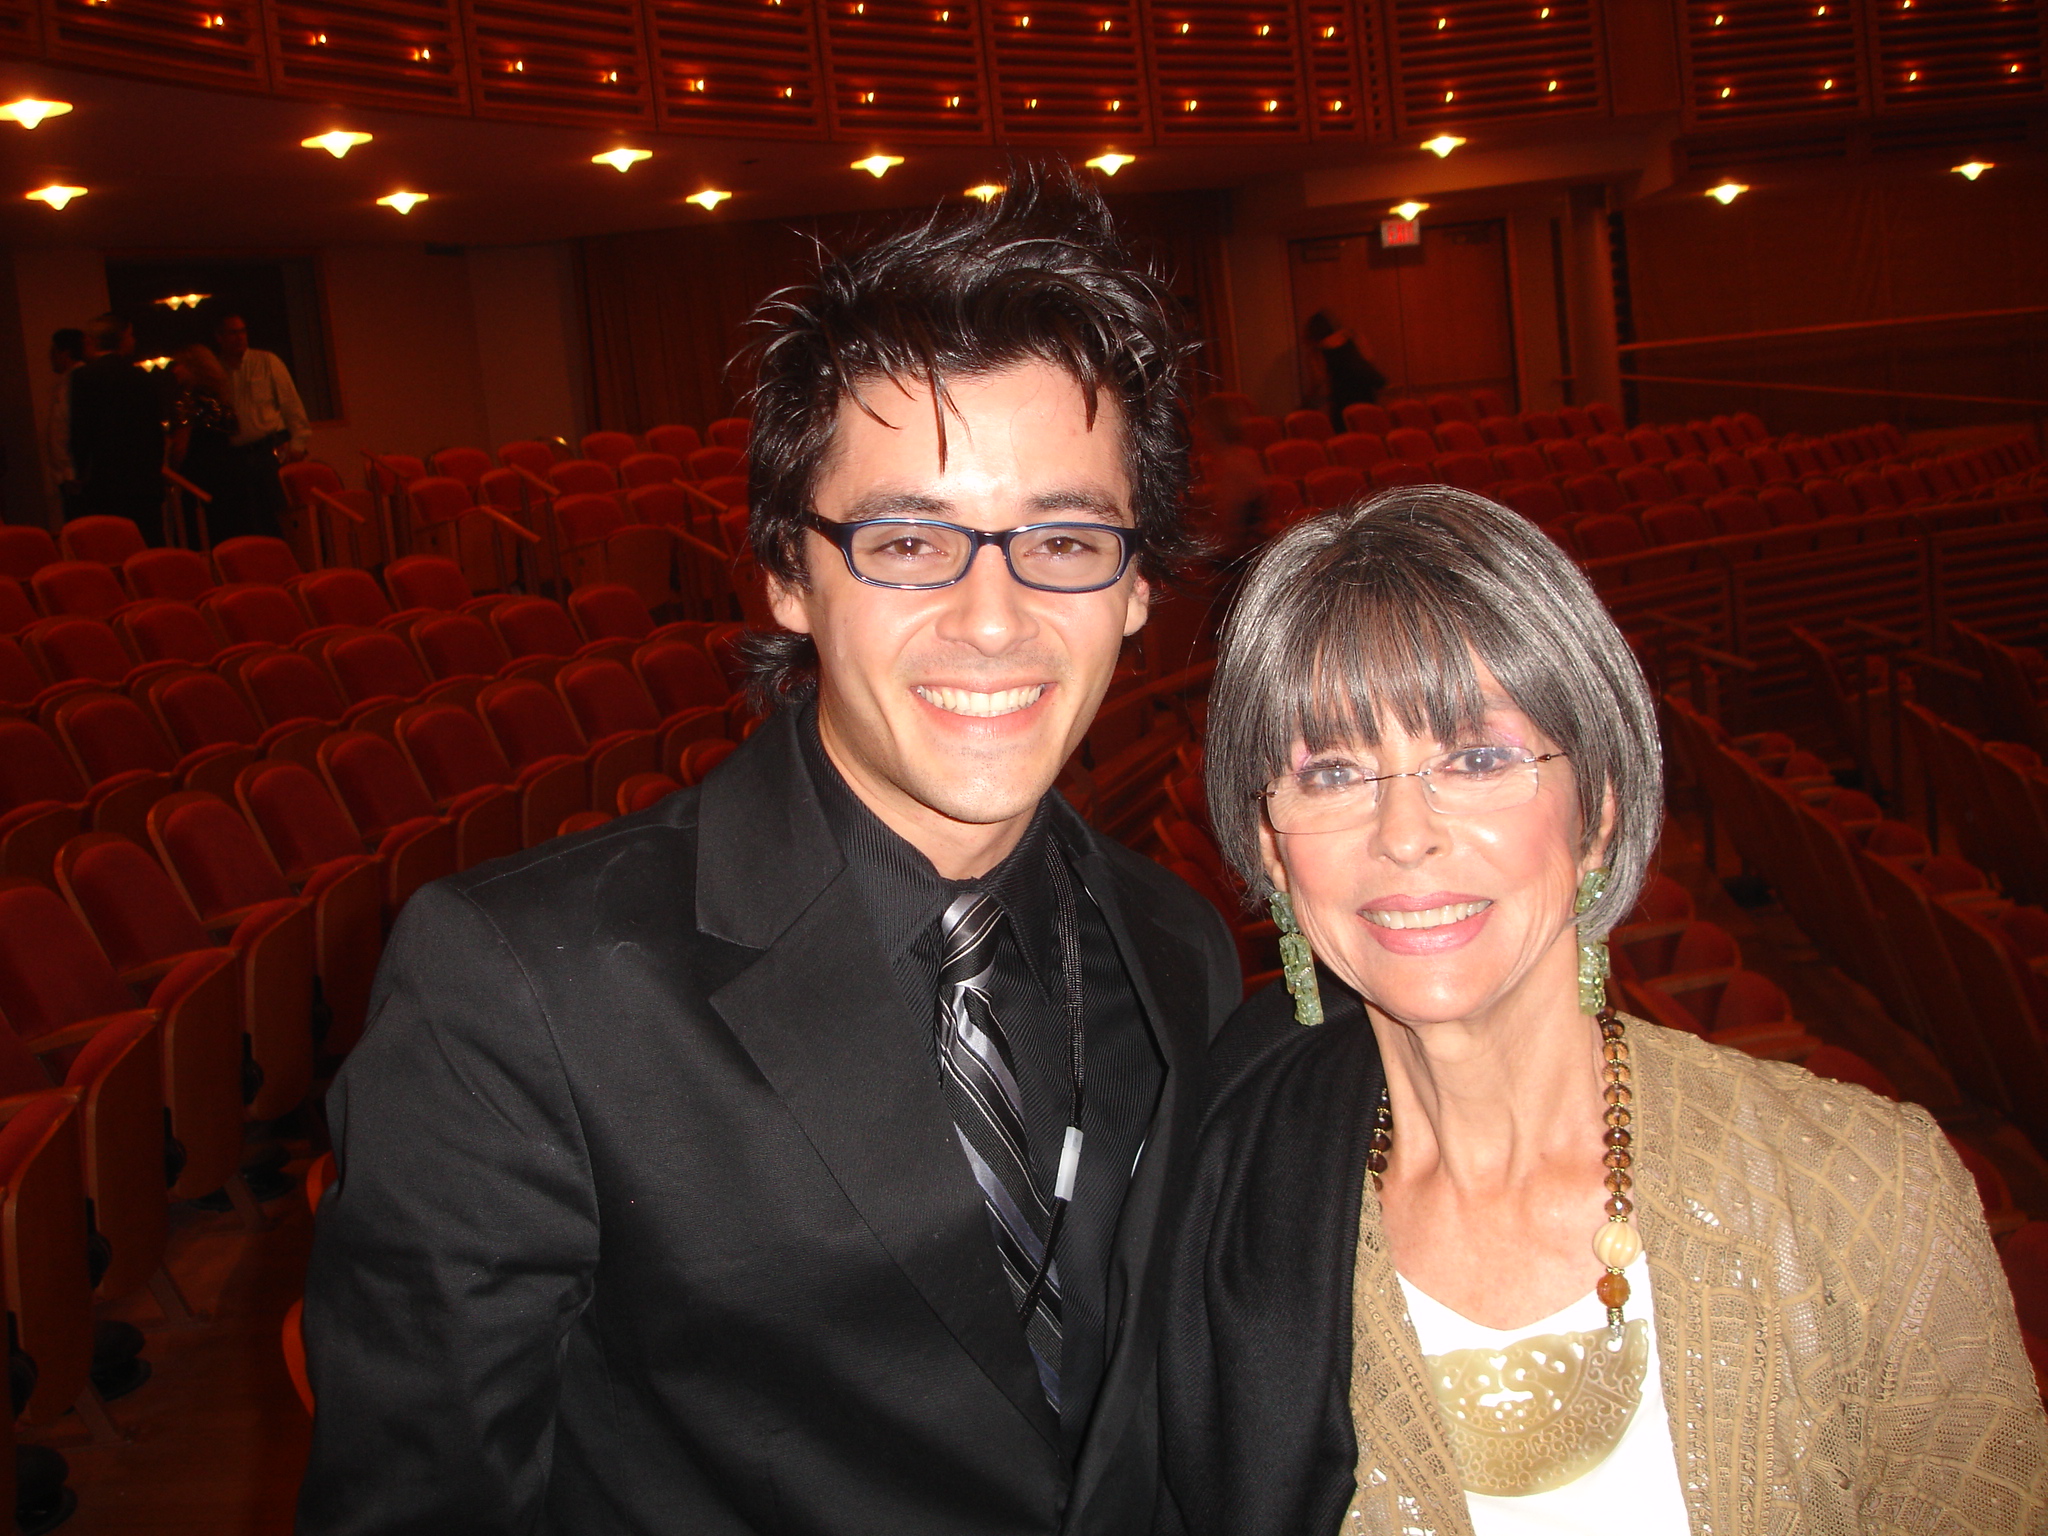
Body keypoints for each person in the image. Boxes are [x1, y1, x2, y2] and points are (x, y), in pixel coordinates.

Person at [298, 163, 1238, 1536]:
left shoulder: (1177, 943)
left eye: (1064, 538)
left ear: (1139, 584)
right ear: (787, 573)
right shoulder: (517, 987)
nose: (995, 618)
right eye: (909, 541)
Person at [1157, 489, 2048, 1535]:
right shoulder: (1211, 1209)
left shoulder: (1871, 1197)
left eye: (1476, 759)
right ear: (1270, 849)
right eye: (1334, 772)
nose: (1402, 834)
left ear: (1597, 813)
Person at [66, 313, 167, 544]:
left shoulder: (85, 377)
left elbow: (81, 429)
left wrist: (80, 471)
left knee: (113, 542)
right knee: (149, 539)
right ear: (121, 338)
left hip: (105, 477)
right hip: (143, 477)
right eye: (130, 335)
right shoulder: (139, 376)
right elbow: (154, 426)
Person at [210, 310, 309, 541]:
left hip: (268, 451)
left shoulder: (265, 362)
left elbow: (291, 405)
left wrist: (298, 444)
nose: (240, 337)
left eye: (242, 331)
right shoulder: (215, 371)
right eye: (233, 333)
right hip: (234, 457)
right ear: (220, 337)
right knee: (245, 521)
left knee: (278, 516)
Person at [165, 344, 237, 546]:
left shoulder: (190, 402)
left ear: (193, 368)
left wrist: (172, 472)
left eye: (179, 365)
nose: (175, 370)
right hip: (225, 477)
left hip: (197, 477)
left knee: (198, 534)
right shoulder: (221, 400)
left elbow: (181, 446)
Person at [1303, 310, 1385, 433]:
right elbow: (1369, 359)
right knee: (1370, 439)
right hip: (1366, 395)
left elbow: (1319, 381)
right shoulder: (1353, 336)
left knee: (1346, 441)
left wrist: (1308, 401)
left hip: (1343, 401)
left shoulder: (1318, 352)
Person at [43, 326, 88, 519]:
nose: (50, 357)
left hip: (75, 475)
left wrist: (68, 472)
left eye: (54, 352)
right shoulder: (71, 383)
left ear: (65, 354)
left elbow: (62, 431)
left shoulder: (72, 384)